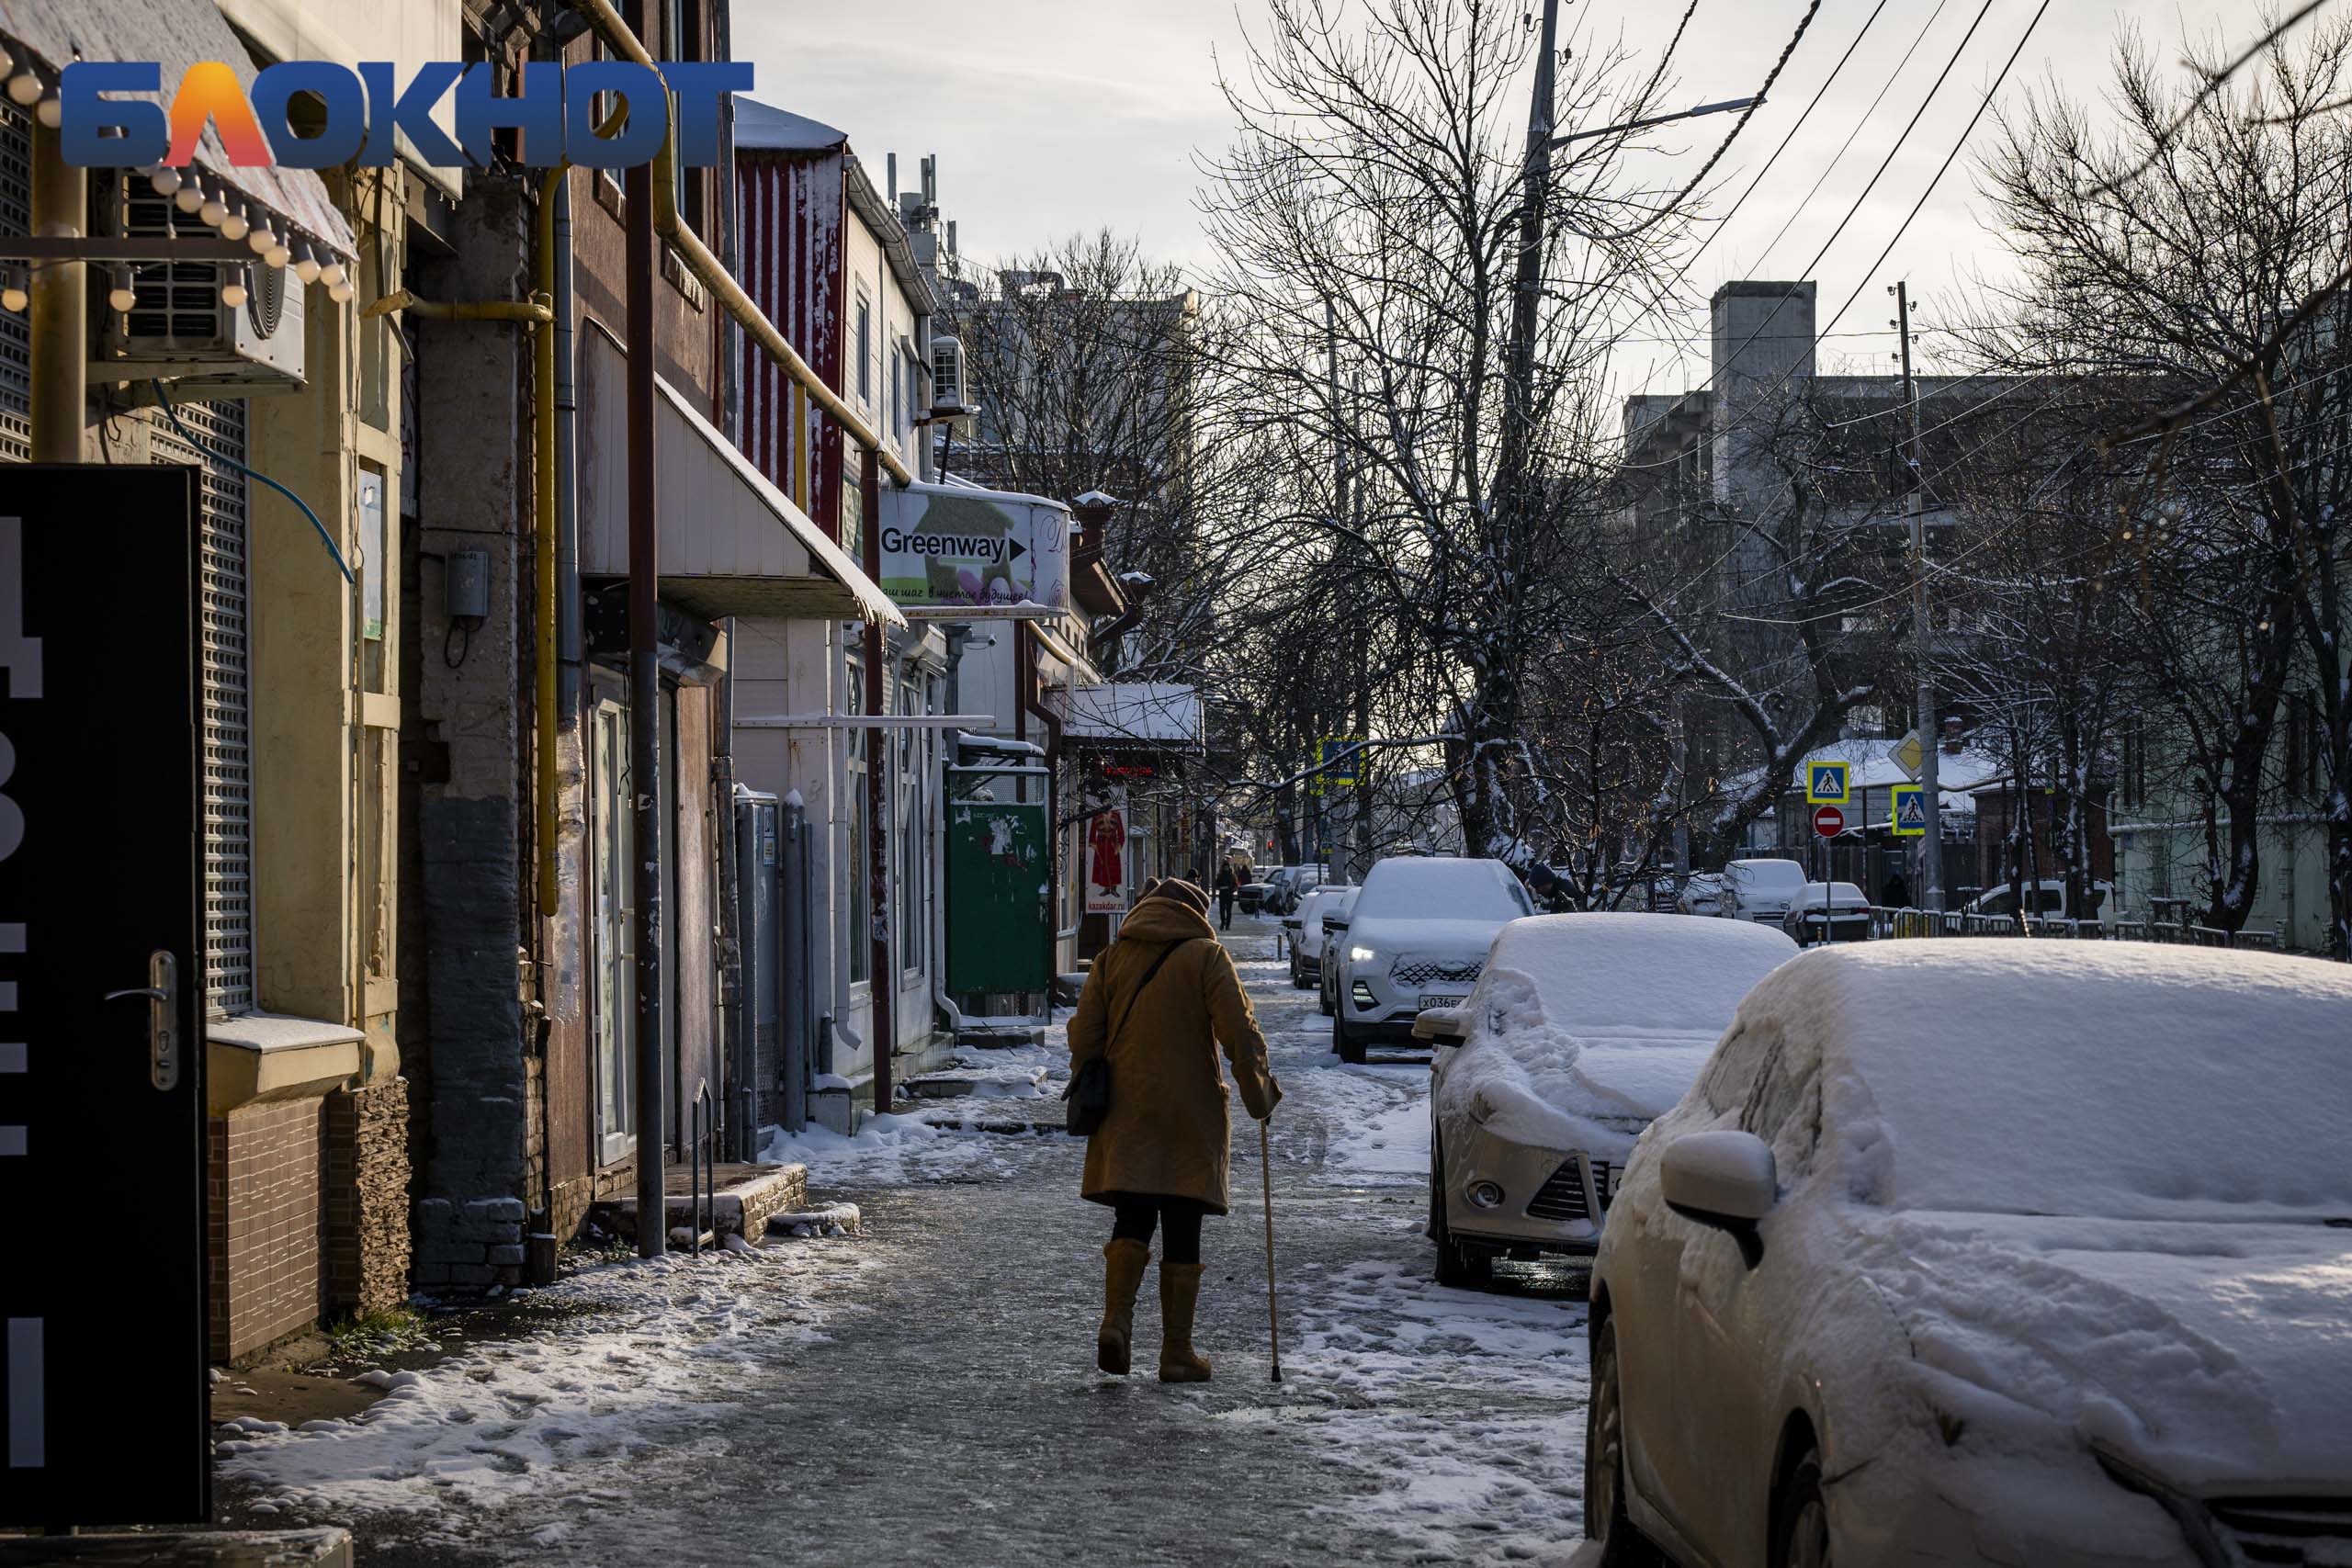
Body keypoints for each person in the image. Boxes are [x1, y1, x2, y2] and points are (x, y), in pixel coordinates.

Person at [1068, 878, 1280, 1382]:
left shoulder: (1111, 958)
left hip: (1127, 1109)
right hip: (1191, 1113)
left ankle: (1116, 1322)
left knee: (1133, 1215)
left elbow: (1084, 1035)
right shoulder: (1207, 957)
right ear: (1195, 913)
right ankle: (1177, 1352)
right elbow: (1239, 1031)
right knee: (1184, 1221)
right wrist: (1259, 1095)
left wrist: (1092, 1080)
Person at [1214, 861, 1240, 931]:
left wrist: (1232, 890)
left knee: (1229, 911)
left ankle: (1227, 925)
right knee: (1222, 910)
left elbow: (1236, 885)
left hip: (1229, 895)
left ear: (1229, 867)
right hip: (1222, 894)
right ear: (1223, 867)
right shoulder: (1220, 875)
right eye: (1225, 867)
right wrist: (1220, 888)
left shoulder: (1232, 875)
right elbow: (1216, 885)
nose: (1226, 868)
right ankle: (1222, 923)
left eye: (1227, 867)